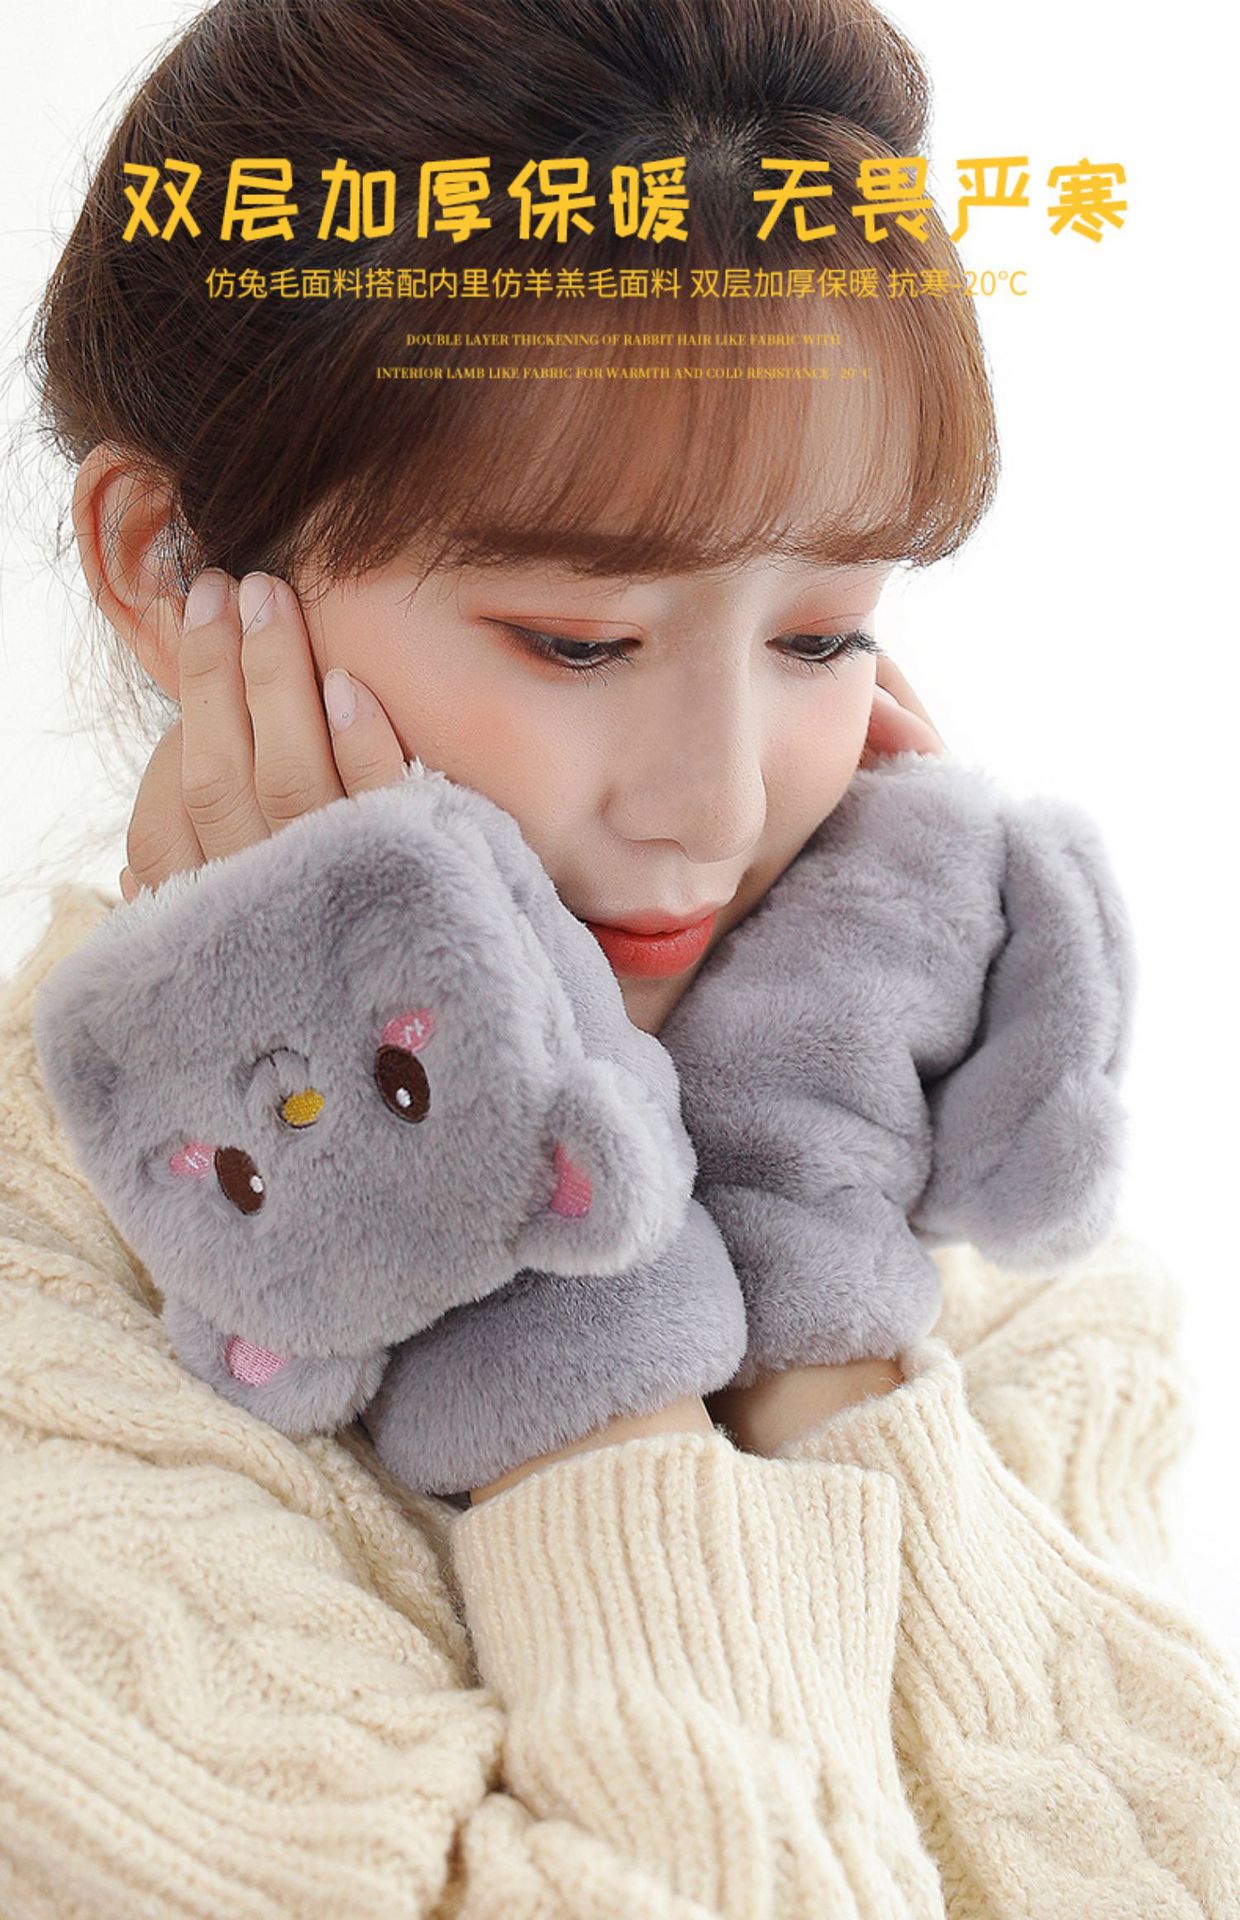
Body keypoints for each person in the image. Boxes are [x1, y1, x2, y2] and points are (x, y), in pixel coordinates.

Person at [2, 0, 1238, 1912]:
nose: (714, 808)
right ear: (169, 564)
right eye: (578, 641)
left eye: (822, 636)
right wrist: (559, 1331)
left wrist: (813, 1291)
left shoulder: (969, 1253)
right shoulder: (45, 1355)